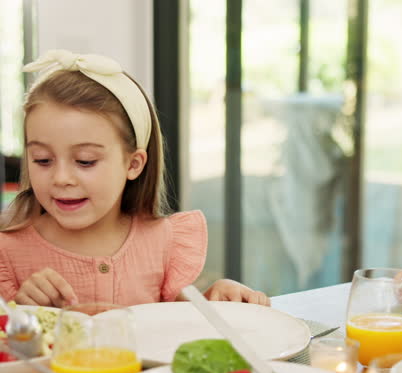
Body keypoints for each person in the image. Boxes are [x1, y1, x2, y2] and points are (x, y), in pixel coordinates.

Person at [0, 50, 269, 307]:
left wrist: (216, 298)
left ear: (133, 164)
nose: (61, 178)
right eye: (42, 160)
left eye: (85, 161)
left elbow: (177, 322)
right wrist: (22, 317)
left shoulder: (162, 241)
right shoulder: (8, 253)